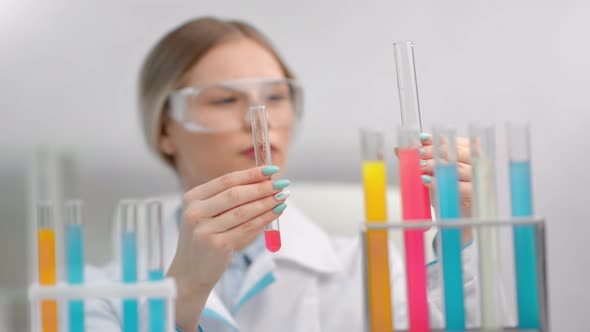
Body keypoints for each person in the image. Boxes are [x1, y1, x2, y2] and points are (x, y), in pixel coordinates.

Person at [85, 16, 509, 332]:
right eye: (223, 100)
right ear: (165, 130)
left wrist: (463, 241)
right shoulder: (98, 296)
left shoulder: (365, 271)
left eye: (276, 96)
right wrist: (182, 295)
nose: (260, 119)